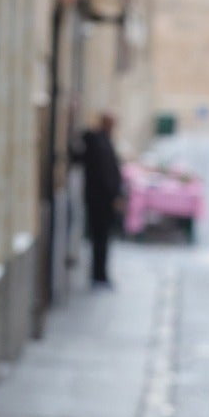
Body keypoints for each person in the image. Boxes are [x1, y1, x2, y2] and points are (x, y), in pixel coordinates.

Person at [72, 112, 124, 290]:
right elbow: (105, 175)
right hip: (100, 201)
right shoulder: (99, 143)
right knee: (100, 240)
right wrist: (114, 197)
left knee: (101, 240)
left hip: (101, 200)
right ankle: (98, 275)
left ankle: (100, 275)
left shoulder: (102, 141)